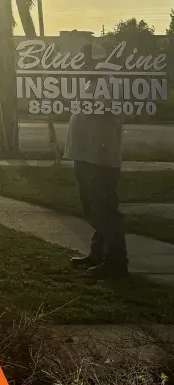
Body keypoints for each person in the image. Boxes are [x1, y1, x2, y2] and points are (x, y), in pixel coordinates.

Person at [67, 43, 127, 279]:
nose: (82, 65)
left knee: (105, 210)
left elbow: (105, 116)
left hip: (100, 158)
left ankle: (116, 262)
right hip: (84, 155)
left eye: (87, 61)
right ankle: (98, 253)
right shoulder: (89, 84)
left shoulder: (109, 85)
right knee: (91, 208)